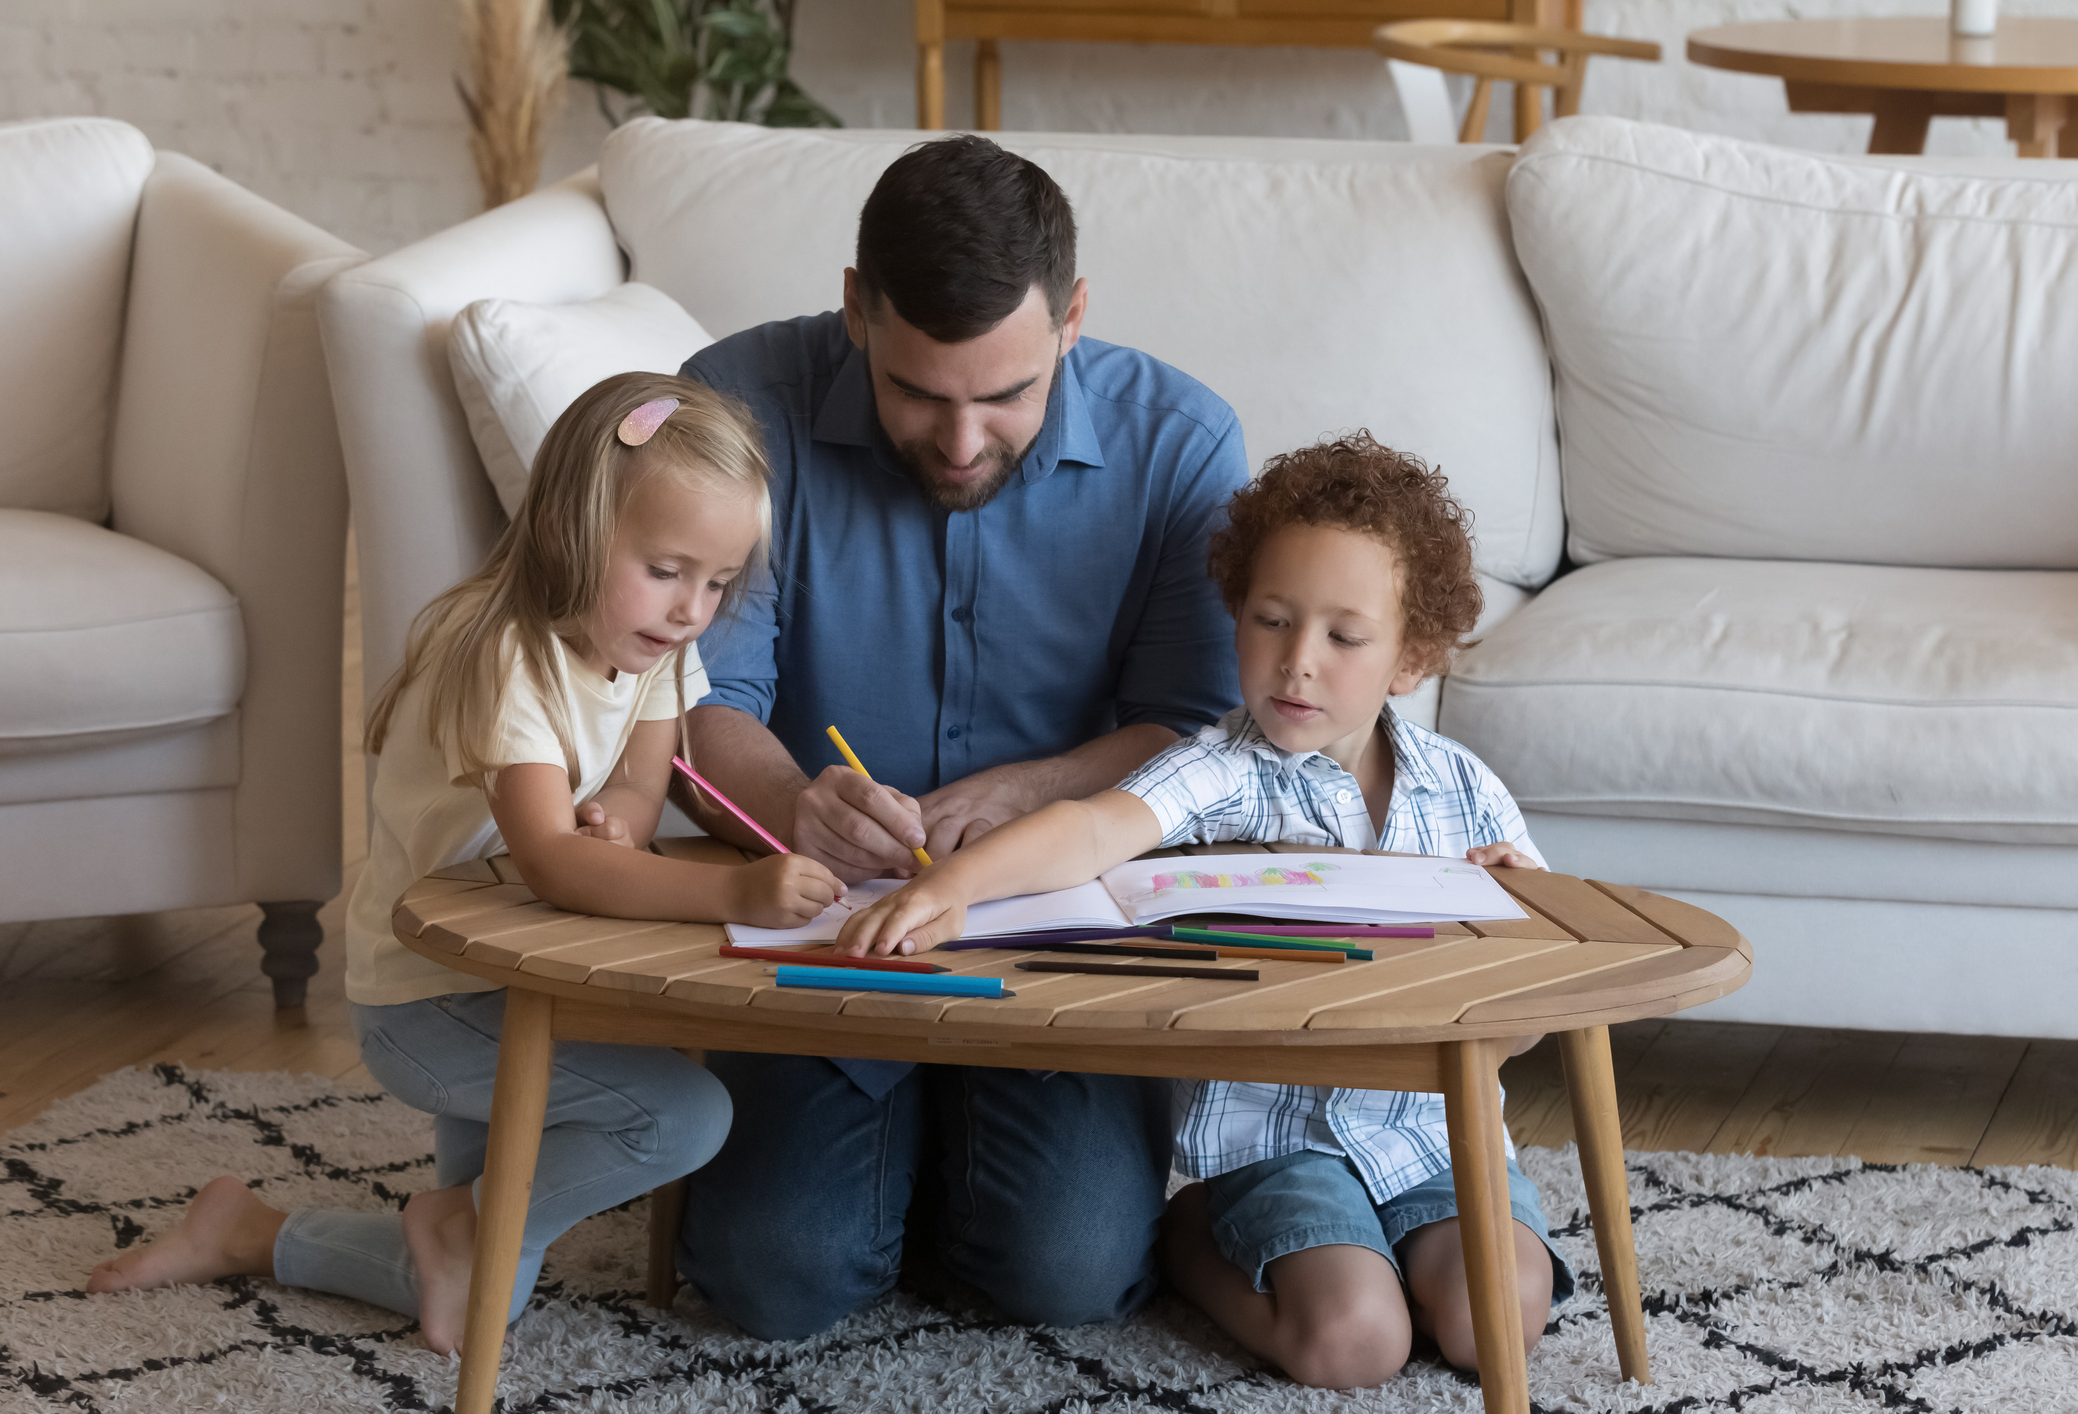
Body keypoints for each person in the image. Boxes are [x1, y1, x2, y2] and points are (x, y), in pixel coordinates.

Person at [86, 373, 844, 1353]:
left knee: (484, 1283)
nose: (693, 608)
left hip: (521, 968)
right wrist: (736, 889)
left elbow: (639, 789)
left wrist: (616, 812)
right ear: (577, 527)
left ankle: (245, 1229)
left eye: (717, 583)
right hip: (431, 995)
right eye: (667, 569)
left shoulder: (649, 641)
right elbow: (555, 866)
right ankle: (452, 1226)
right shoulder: (503, 655)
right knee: (683, 1119)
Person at [839, 432, 1576, 1389]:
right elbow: (1091, 830)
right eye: (1270, 620)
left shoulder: (1466, 791)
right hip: (1275, 1144)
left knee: (1495, 1327)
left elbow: (1534, 1010)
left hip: (1434, 1135)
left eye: (1343, 638)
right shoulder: (1221, 771)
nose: (1296, 663)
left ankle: (1393, 1263)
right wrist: (948, 886)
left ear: (1413, 657)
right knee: (1357, 1345)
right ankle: (1188, 1240)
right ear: (1235, 616)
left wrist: (1518, 908)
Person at [668, 135, 1248, 1338]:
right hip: (826, 919)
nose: (965, 440)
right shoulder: (737, 406)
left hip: (1059, 935)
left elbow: (1195, 733)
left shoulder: (1181, 443)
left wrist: (1037, 790)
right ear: (856, 313)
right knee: (773, 1276)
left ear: (1073, 317)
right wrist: (793, 798)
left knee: (1073, 1275)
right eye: (919, 393)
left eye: (1007, 395)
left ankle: (949, 1152)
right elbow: (697, 696)